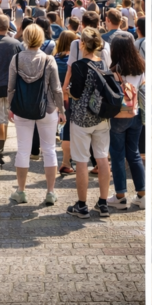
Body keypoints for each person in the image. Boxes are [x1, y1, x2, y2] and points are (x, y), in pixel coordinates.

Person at [7, 25, 63, 206]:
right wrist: (61, 110)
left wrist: (11, 106)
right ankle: (50, 192)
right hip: (47, 108)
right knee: (49, 150)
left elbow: (11, 87)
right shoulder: (48, 60)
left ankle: (21, 191)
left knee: (23, 149)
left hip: (22, 108)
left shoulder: (16, 59)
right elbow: (56, 89)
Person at [65, 28, 112, 219]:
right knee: (102, 158)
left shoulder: (78, 66)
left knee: (82, 161)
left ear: (82, 44)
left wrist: (68, 91)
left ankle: (82, 205)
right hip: (101, 117)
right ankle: (103, 202)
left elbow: (75, 93)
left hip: (82, 118)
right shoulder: (103, 64)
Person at [105, 33, 146, 210]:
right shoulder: (140, 66)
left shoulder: (114, 70)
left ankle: (120, 196)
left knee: (117, 155)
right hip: (135, 113)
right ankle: (142, 194)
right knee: (134, 153)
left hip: (118, 116)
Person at [0, 15, 24, 166]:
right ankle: (0, 150)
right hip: (11, 86)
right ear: (9, 27)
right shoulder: (15, 43)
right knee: (5, 120)